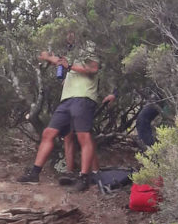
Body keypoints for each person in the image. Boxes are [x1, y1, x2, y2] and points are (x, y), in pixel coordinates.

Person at [19, 49, 113, 191]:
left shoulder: (88, 47)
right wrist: (49, 57)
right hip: (66, 99)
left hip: (84, 97)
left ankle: (84, 178)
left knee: (83, 136)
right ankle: (34, 174)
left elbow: (93, 68)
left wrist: (69, 67)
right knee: (48, 133)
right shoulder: (71, 51)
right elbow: (60, 62)